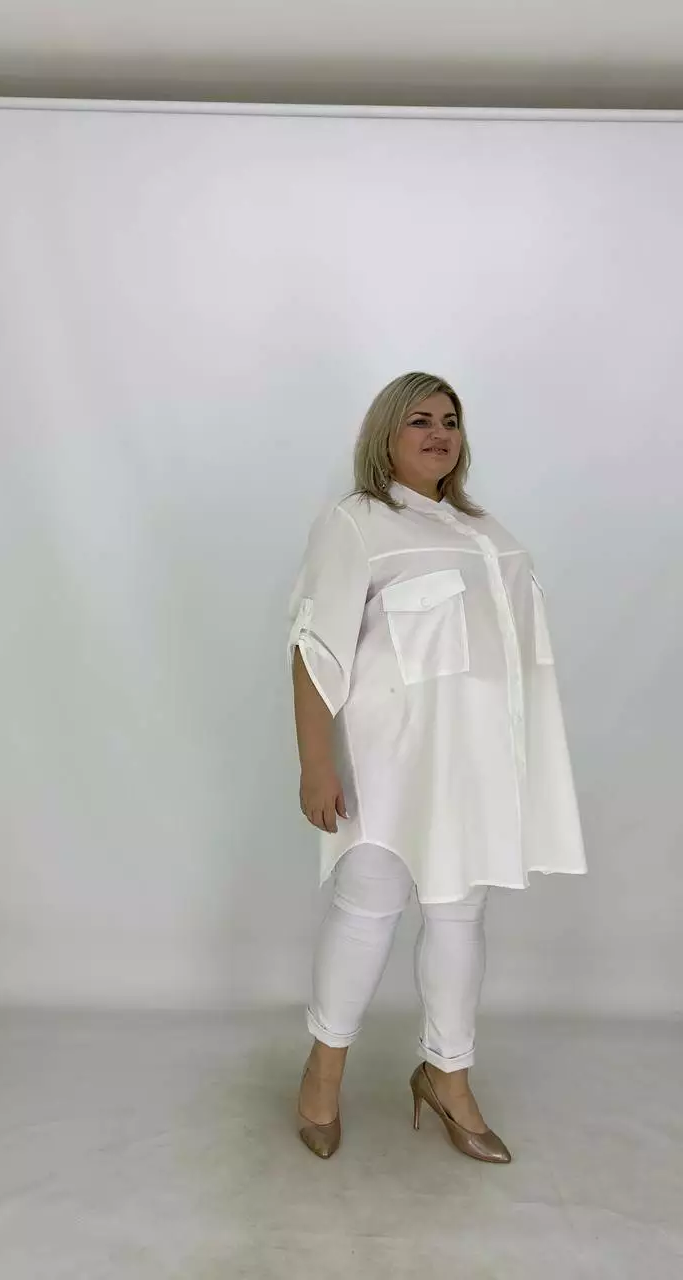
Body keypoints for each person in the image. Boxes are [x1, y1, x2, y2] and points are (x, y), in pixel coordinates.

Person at [288, 371, 587, 1160]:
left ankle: (447, 1076)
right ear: (385, 433)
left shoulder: (485, 530)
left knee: (460, 914)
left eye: (450, 421)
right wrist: (316, 765)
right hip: (387, 766)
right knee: (368, 907)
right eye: (420, 420)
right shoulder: (356, 523)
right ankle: (323, 1073)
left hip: (475, 765)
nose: (439, 434)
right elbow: (314, 650)